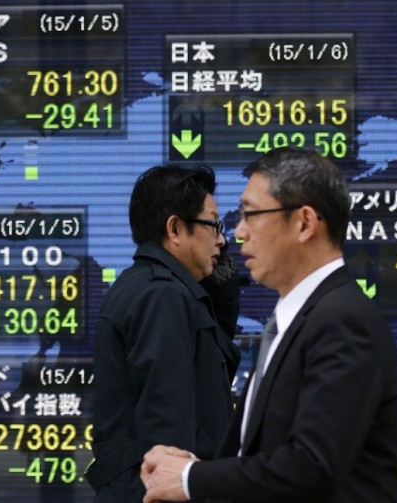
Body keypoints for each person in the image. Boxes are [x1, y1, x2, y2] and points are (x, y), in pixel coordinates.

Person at [141, 147, 397, 502]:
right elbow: (261, 459)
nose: (238, 232)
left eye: (251, 214)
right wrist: (192, 468)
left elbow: (311, 467)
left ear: (305, 223)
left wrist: (192, 478)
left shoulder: (343, 320)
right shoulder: (294, 320)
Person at [87, 164, 241, 501]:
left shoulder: (157, 288)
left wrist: (223, 289)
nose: (222, 239)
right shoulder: (163, 296)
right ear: (174, 229)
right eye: (213, 223)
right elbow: (168, 434)